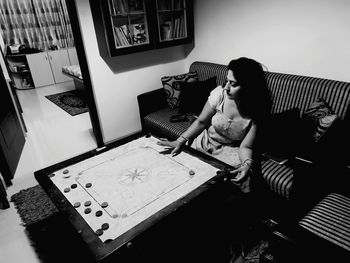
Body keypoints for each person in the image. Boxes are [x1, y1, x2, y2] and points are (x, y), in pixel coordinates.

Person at [157, 57, 271, 193]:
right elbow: (201, 121)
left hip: (230, 150)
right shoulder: (219, 94)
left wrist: (247, 164)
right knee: (183, 170)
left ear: (249, 87)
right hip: (205, 141)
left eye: (233, 84)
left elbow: (245, 146)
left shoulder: (258, 110)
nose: (227, 87)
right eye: (227, 80)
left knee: (243, 181)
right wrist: (179, 140)